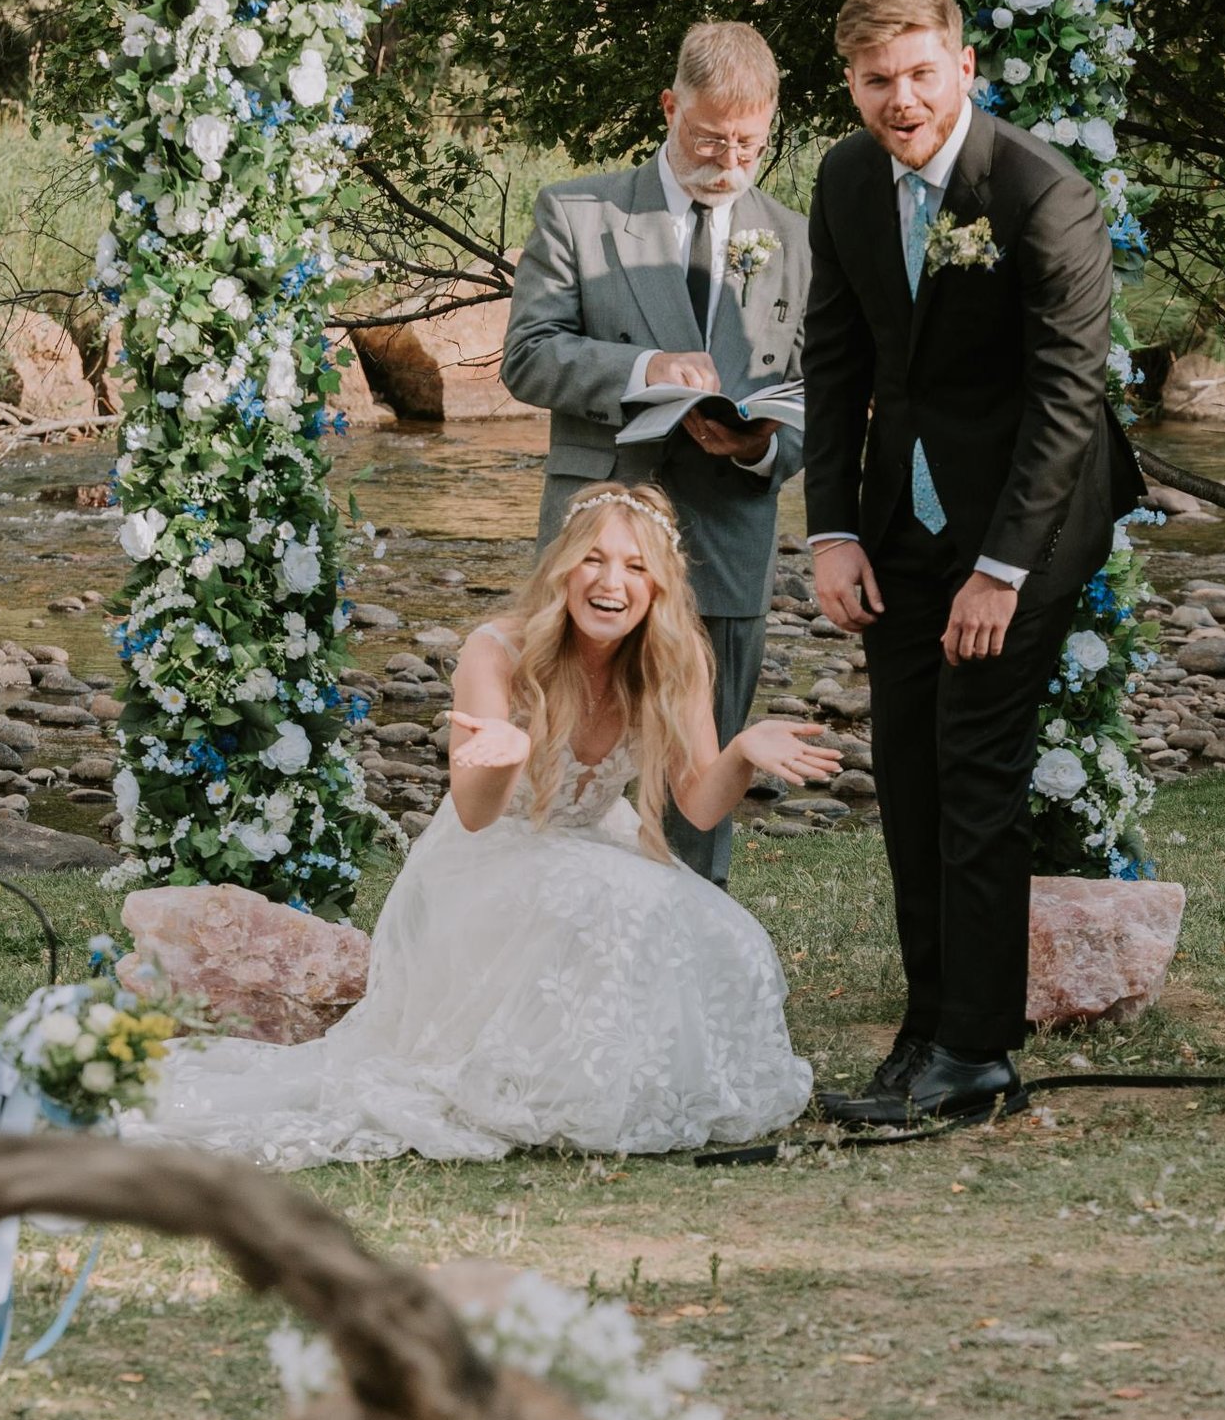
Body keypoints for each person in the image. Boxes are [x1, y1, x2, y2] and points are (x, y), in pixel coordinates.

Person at [133, 483, 837, 1164]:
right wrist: (508, 757)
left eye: (635, 566)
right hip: (490, 856)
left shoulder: (676, 661)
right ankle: (551, 1093)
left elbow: (699, 805)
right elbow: (473, 814)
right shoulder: (498, 649)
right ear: (564, 567)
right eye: (594, 559)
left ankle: (636, 1092)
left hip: (596, 842)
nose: (611, 582)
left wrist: (742, 752)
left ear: (658, 586)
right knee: (600, 900)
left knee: (718, 928)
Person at [801, 0, 1146, 1130]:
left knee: (977, 768)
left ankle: (978, 1056)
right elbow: (837, 357)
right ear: (850, 84)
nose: (898, 100)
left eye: (917, 73)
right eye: (874, 80)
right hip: (896, 520)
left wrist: (998, 571)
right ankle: (925, 1026)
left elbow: (1065, 397)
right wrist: (835, 528)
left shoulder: (1041, 194)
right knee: (905, 768)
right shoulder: (847, 177)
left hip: (1027, 521)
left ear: (962, 66)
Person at [500, 21, 809, 882]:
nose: (729, 159)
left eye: (750, 142)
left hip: (724, 537)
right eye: (710, 136)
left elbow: (826, 393)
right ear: (670, 107)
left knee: (698, 793)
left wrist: (760, 448)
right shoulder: (580, 211)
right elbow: (526, 356)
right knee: (559, 768)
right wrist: (643, 367)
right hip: (595, 542)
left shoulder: (797, 237)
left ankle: (686, 962)